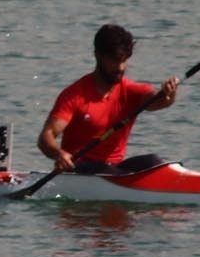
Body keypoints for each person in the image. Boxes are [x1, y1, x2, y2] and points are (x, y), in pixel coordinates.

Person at [36, 24, 179, 174]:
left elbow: (159, 101)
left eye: (124, 60)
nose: (120, 67)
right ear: (98, 55)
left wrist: (169, 94)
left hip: (114, 170)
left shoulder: (130, 91)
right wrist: (59, 154)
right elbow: (46, 137)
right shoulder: (74, 95)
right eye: (115, 60)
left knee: (154, 161)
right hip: (80, 169)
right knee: (104, 169)